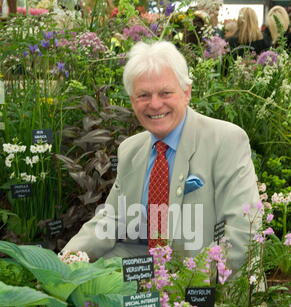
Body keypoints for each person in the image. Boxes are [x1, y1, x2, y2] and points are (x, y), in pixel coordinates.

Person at [63, 41, 260, 273]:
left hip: (205, 279)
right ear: (132, 100)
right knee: (86, 279)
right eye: (143, 95)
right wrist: (67, 260)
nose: (155, 104)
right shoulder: (130, 150)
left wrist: (197, 292)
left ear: (186, 93)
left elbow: (243, 230)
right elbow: (112, 219)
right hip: (147, 272)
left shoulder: (226, 141)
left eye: (165, 93)